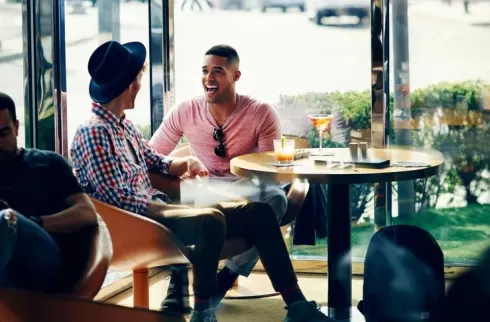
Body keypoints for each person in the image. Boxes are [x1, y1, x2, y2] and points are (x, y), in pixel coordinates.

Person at [70, 40, 331, 322]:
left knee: (262, 213)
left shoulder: (123, 125)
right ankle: (203, 311)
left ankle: (297, 306)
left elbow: (154, 158)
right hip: (137, 218)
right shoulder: (94, 132)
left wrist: (183, 163)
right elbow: (115, 199)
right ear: (129, 84)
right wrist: (177, 204)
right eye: (139, 79)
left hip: (155, 207)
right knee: (210, 218)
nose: (141, 85)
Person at [149, 44, 291, 309]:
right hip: (203, 188)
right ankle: (178, 279)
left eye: (218, 71)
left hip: (246, 185)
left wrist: (241, 186)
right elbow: (151, 154)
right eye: (204, 71)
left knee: (276, 199)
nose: (208, 78)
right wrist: (182, 164)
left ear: (236, 76)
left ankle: (225, 277)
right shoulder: (185, 110)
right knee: (166, 200)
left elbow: (269, 171)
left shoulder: (260, 112)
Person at [0, 92, 98, 293]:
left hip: (45, 262)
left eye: (3, 134)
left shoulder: (48, 163)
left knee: (6, 219)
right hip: (7, 276)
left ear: (17, 128)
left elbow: (87, 212)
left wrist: (34, 222)